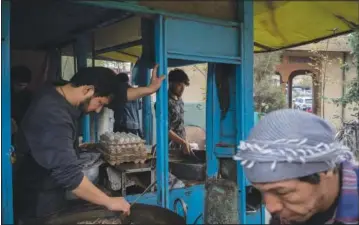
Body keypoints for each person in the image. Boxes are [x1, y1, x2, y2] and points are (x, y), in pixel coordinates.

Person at [14, 65, 164, 223]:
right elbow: (70, 176)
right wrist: (109, 201)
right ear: (87, 90)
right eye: (99, 103)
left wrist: (149, 89)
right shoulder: (52, 115)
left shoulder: (61, 91)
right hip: (37, 200)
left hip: (50, 189)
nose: (98, 110)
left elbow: (119, 95)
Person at [233, 109, 359, 225]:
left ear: (327, 170)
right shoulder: (286, 217)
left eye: (282, 192)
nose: (270, 207)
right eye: (260, 192)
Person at [167, 69, 191, 154]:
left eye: (184, 85)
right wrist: (183, 142)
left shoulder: (180, 100)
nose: (182, 88)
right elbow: (166, 129)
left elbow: (180, 125)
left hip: (182, 146)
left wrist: (186, 141)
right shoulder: (164, 102)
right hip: (169, 149)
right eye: (179, 85)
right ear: (171, 83)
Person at [112, 73, 143, 137]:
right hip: (135, 125)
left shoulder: (121, 91)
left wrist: (116, 126)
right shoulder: (134, 91)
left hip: (124, 125)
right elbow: (139, 107)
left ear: (118, 81)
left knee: (121, 146)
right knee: (132, 145)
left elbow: (119, 109)